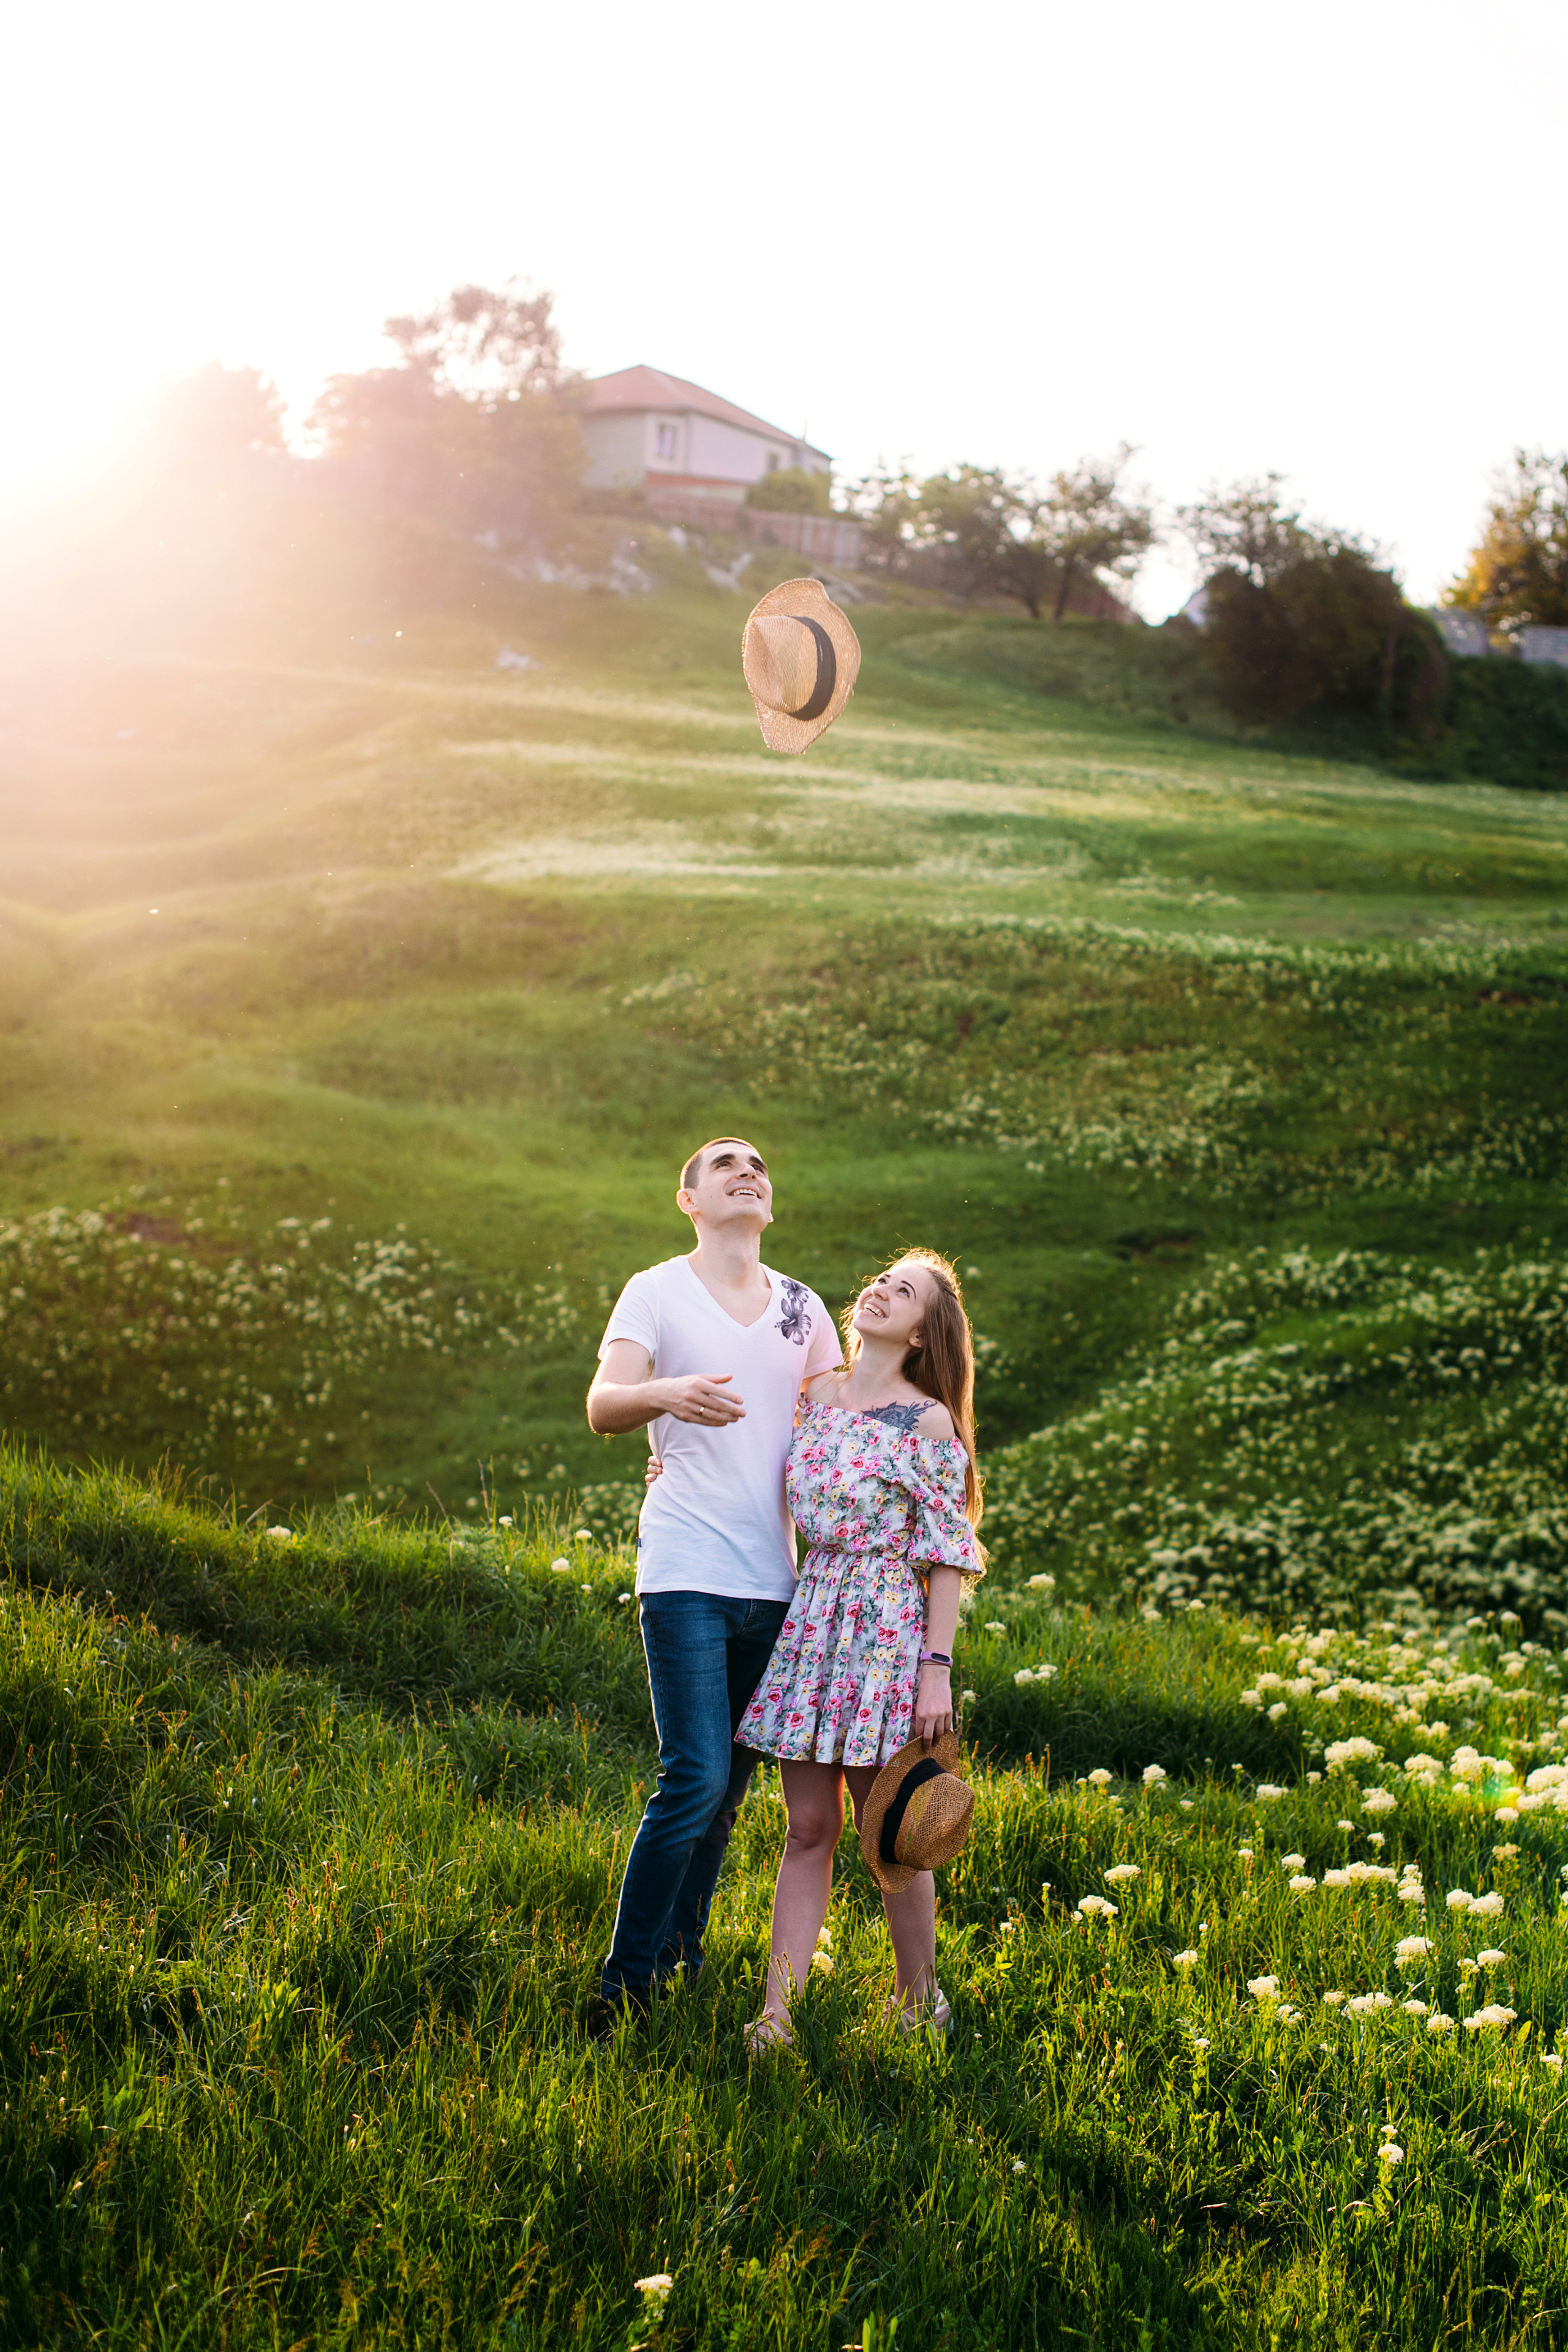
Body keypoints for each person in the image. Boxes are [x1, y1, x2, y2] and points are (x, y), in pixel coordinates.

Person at [584, 1138, 840, 2030]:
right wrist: (667, 1393)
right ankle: (622, 1987)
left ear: (770, 1202)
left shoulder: (806, 1310)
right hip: (687, 1566)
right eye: (723, 1163)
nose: (747, 1170)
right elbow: (602, 1403)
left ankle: (682, 1961)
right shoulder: (655, 1290)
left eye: (760, 1164)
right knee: (692, 1776)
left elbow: (839, 1436)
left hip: (777, 1582)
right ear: (689, 1199)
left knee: (730, 1792)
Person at [733, 1248, 986, 2051]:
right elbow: (746, 1467)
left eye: (902, 1291)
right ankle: (776, 2015)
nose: (879, 1290)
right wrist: (669, 1462)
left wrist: (935, 1671)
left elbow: (948, 1549)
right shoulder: (812, 1396)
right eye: (881, 1280)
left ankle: (920, 2003)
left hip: (884, 1630)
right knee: (807, 1827)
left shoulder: (926, 1420)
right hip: (813, 1620)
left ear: (920, 1333)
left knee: (891, 1833)